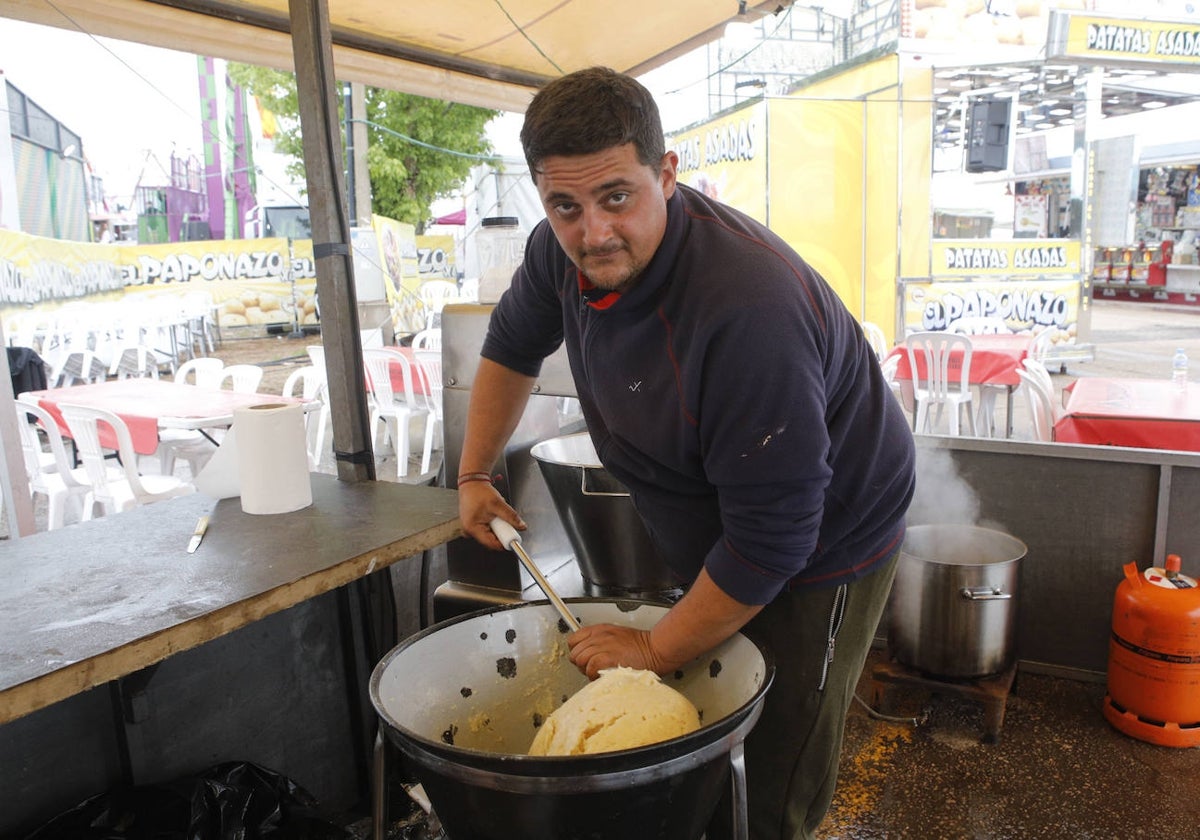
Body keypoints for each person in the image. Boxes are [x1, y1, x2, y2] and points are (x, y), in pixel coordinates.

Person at [456, 66, 916, 840]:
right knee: (700, 717)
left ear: (666, 175)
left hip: (826, 536)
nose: (592, 232)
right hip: (722, 510)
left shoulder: (746, 312)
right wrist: (474, 471)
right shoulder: (556, 252)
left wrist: (652, 645)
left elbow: (775, 538)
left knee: (773, 752)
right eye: (564, 206)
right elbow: (511, 345)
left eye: (617, 197)